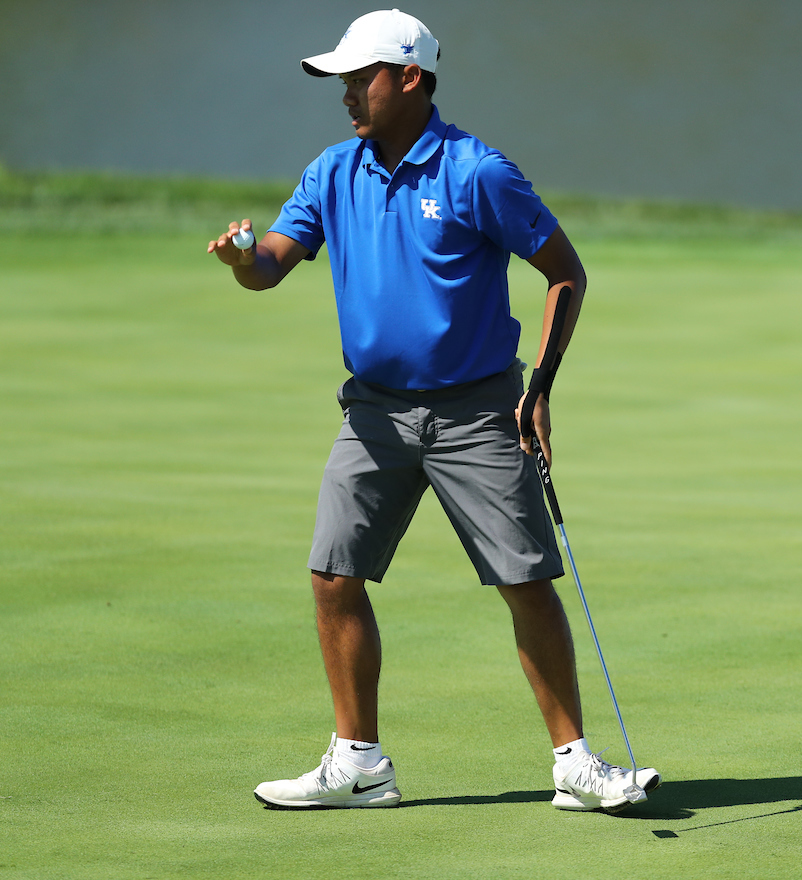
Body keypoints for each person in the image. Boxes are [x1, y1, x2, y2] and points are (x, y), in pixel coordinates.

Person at [206, 9, 659, 813]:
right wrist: (243, 258)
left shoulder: (477, 171)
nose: (347, 93)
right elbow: (271, 265)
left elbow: (564, 273)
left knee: (525, 580)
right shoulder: (333, 171)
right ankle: (359, 763)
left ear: (410, 79)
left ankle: (576, 767)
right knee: (332, 575)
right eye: (342, 80)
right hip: (373, 416)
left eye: (361, 77)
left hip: (478, 413)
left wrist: (541, 386)